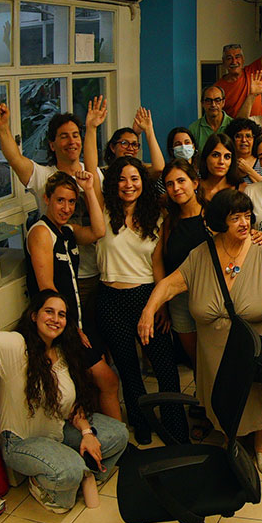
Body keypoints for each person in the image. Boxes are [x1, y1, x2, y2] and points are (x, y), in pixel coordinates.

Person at [0, 246, 127, 513]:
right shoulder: (16, 346)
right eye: (49, 312)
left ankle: (79, 472)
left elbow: (72, 407)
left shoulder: (63, 352)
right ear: (34, 316)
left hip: (57, 431)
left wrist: (87, 433)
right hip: (22, 441)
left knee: (119, 434)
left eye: (61, 315)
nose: (55, 319)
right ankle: (54, 481)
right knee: (66, 493)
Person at [138, 188, 262, 474]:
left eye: (247, 216)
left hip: (257, 346)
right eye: (235, 218)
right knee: (223, 398)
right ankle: (232, 440)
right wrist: (149, 310)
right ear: (221, 221)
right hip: (215, 352)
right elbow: (169, 284)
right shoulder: (200, 255)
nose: (244, 223)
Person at [0, 105, 105, 368]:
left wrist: (91, 129)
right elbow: (15, 159)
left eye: (75, 135)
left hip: (94, 270)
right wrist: (3, 128)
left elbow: (98, 225)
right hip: (62, 279)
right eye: (64, 136)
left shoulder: (91, 173)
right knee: (74, 353)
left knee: (96, 346)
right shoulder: (44, 175)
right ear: (52, 144)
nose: (71, 141)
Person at [88, 156, 187, 445]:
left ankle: (175, 430)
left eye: (134, 178)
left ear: (143, 183)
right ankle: (141, 424)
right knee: (128, 370)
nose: (128, 185)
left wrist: (161, 305)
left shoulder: (157, 216)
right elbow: (91, 172)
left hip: (146, 297)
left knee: (165, 368)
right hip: (110, 300)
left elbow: (158, 266)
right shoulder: (103, 210)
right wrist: (91, 131)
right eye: (122, 179)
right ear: (113, 183)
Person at [24, 170, 121, 421]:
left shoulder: (67, 231)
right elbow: (47, 289)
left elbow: (98, 231)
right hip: (59, 324)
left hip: (76, 318)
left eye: (71, 202)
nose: (66, 208)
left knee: (98, 382)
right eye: (60, 200)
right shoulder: (41, 232)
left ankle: (104, 432)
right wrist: (70, 329)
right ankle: (115, 437)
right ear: (47, 199)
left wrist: (88, 190)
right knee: (108, 381)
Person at [152, 160, 209, 366]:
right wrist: (162, 303)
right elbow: (159, 261)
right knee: (196, 362)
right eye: (170, 184)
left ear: (195, 183)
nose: (176, 188)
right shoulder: (169, 222)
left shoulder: (211, 215)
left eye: (181, 181)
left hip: (210, 296)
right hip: (179, 301)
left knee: (214, 358)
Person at [215, 1, 262, 118]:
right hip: (235, 128)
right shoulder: (218, 88)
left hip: (258, 127)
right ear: (223, 62)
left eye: (237, 57)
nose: (234, 62)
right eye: (229, 58)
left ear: (243, 60)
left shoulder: (253, 72)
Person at [197, 132, 245, 203]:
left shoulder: (242, 189)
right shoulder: (194, 187)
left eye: (227, 157)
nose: (221, 161)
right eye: (216, 155)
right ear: (206, 157)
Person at [227, 117, 262, 184]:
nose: (244, 140)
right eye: (238, 136)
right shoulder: (227, 161)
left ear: (254, 139)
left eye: (248, 136)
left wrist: (249, 170)